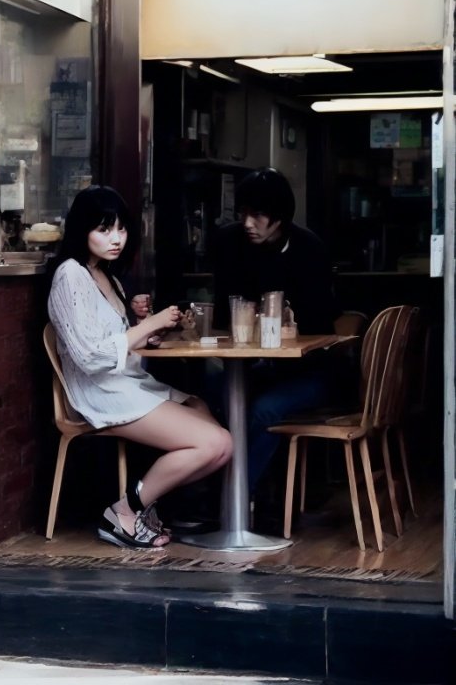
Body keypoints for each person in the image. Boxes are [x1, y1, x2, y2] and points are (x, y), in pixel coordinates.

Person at [47, 186, 233, 550]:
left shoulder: (107, 275)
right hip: (99, 392)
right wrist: (146, 325)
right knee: (216, 442)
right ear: (82, 230)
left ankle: (142, 506)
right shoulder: (70, 275)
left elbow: (117, 345)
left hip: (125, 382)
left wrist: (146, 333)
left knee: (209, 423)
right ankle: (124, 512)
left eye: (121, 229)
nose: (115, 239)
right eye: (104, 230)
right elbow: (88, 357)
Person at [211, 168, 343, 493]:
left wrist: (287, 320)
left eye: (258, 215)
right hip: (250, 366)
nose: (247, 223)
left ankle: (231, 500)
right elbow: (223, 311)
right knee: (208, 394)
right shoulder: (230, 242)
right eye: (243, 213)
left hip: (307, 371)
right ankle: (211, 495)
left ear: (280, 217)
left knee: (263, 409)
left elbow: (320, 325)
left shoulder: (310, 249)